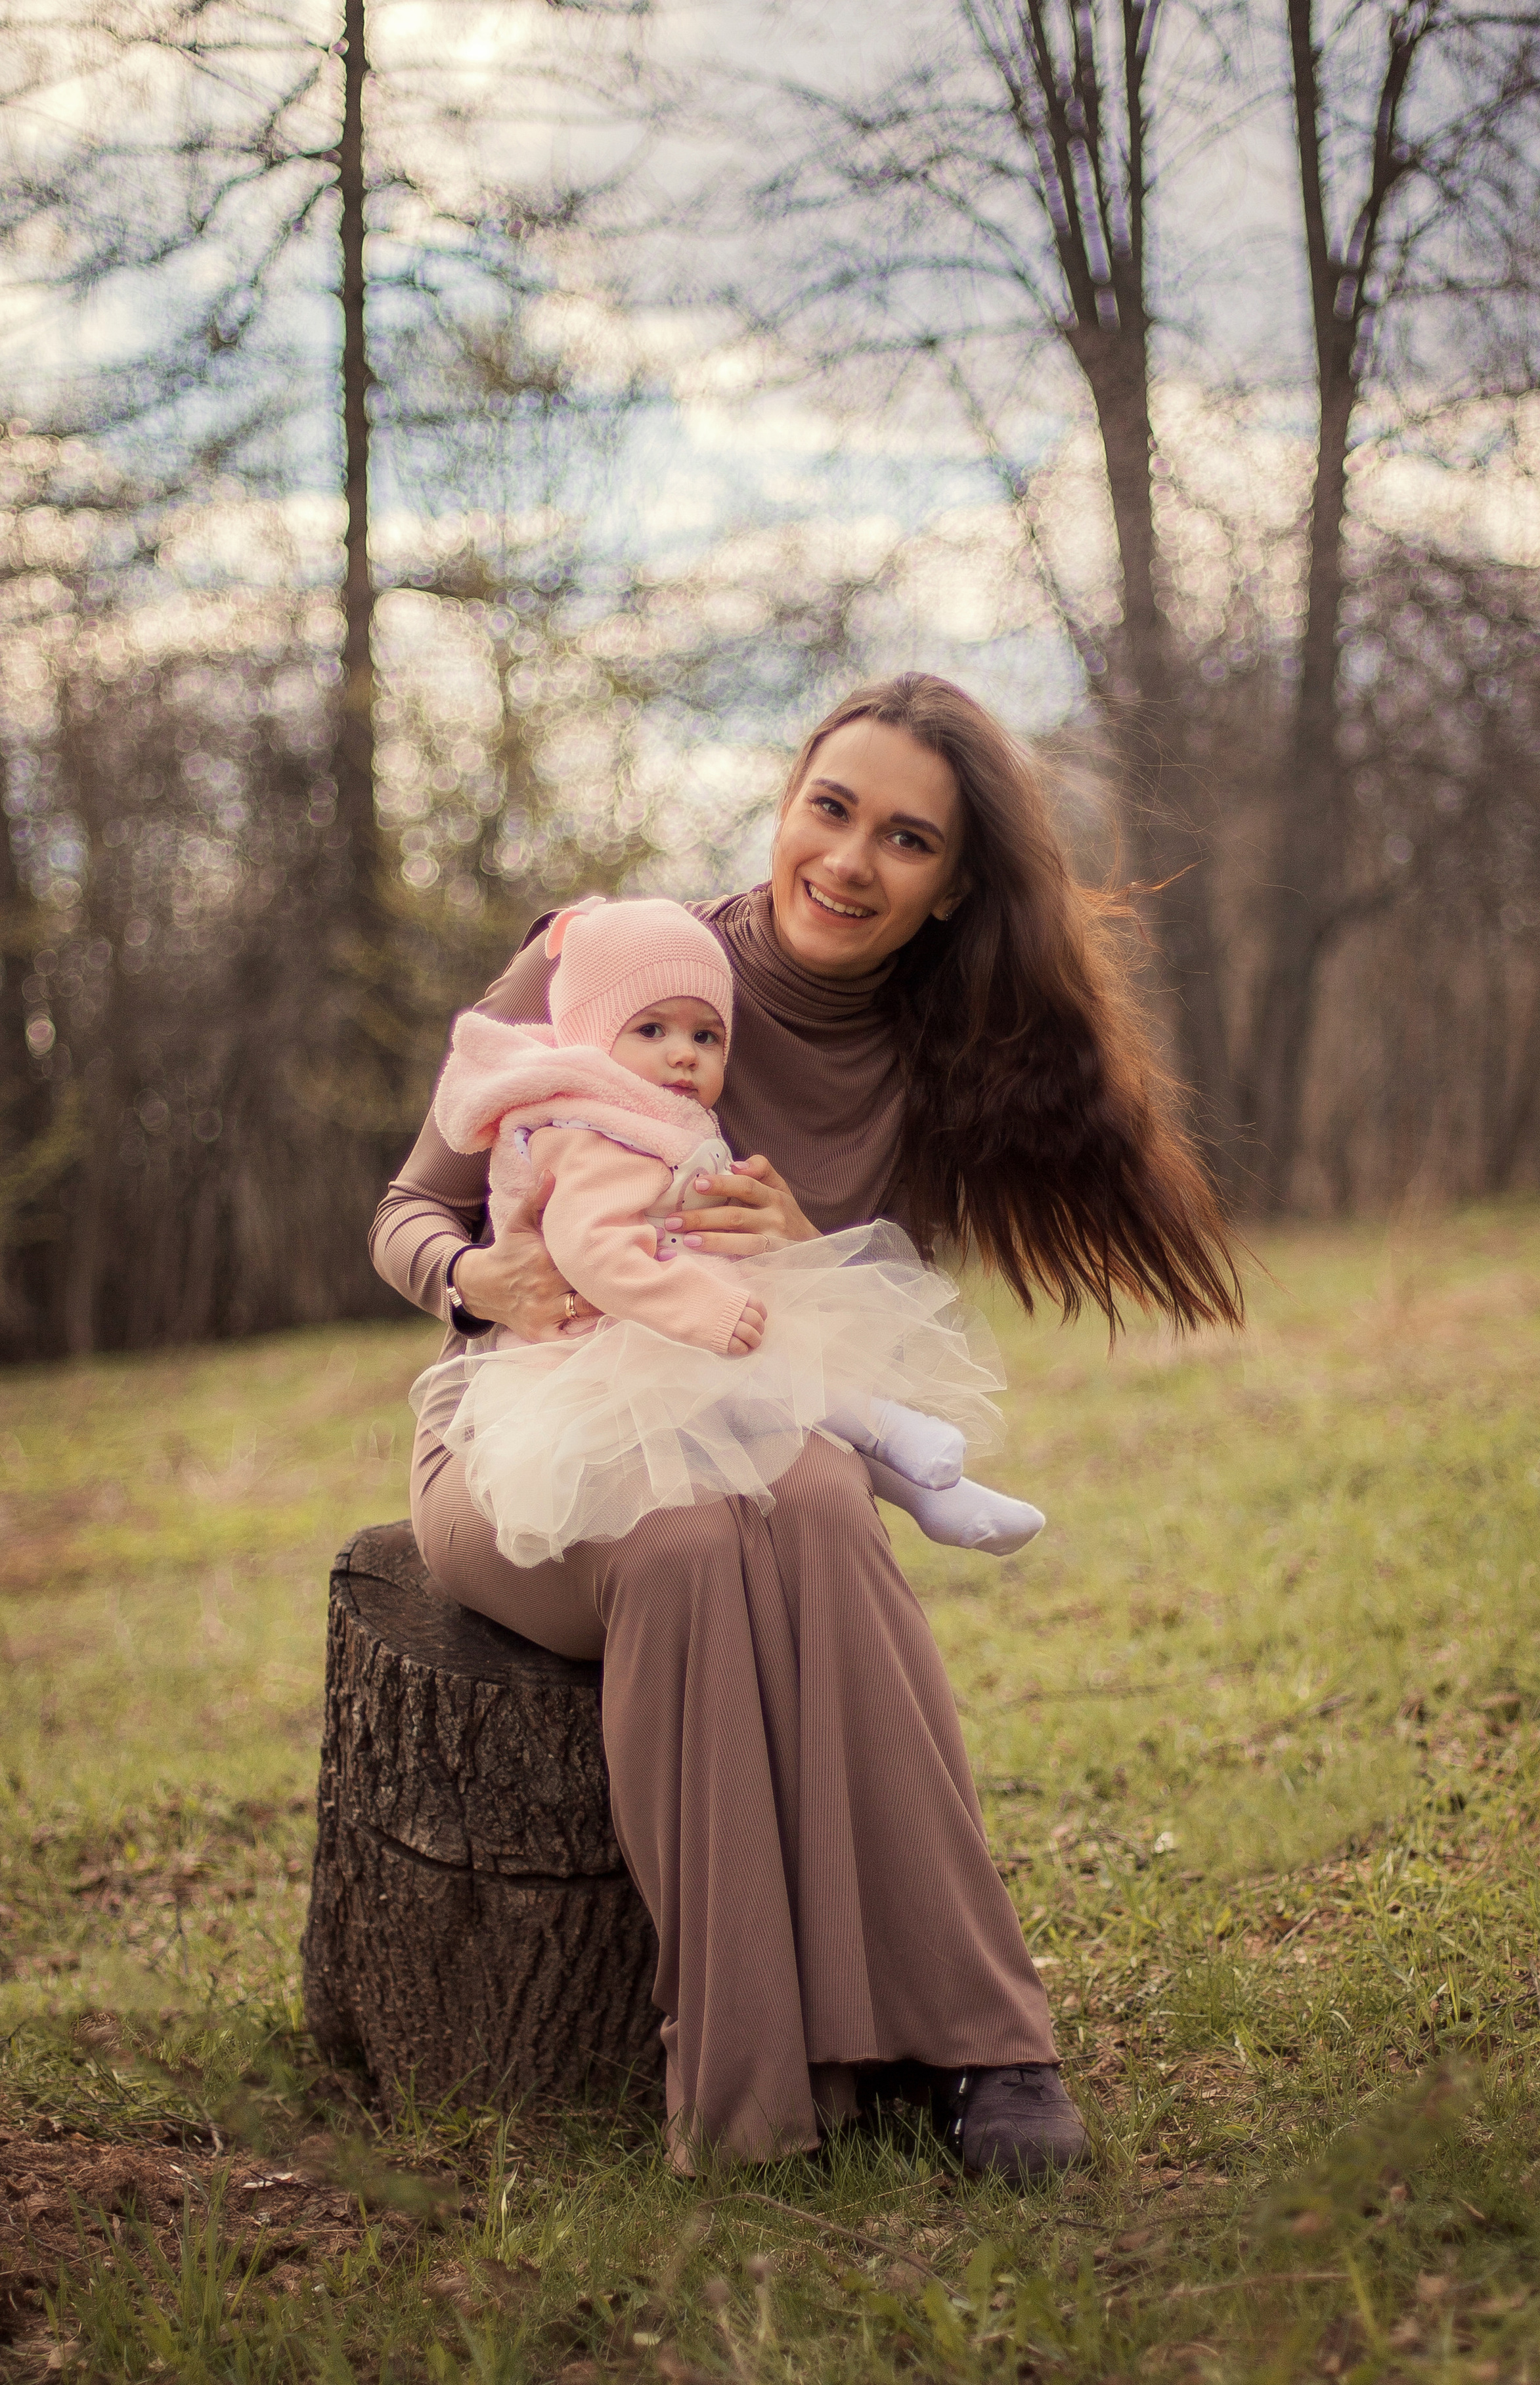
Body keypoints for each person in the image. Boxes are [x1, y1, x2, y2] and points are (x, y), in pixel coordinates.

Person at [371, 671, 1242, 2181]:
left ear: (950, 883)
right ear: (782, 801)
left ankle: (981, 2044)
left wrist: (789, 1246)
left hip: (752, 1417)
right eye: (828, 808)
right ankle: (749, 2088)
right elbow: (403, 1211)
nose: (847, 860)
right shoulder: (617, 958)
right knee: (689, 1545)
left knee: (816, 1507)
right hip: (519, 1435)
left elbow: (832, 1335)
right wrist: (476, 1277)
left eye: (904, 840)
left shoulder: (929, 1055)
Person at [411, 892, 1045, 1567]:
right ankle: (901, 1447)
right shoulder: (583, 1130)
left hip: (664, 1327)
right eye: (651, 1031)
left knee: (795, 1373)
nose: (683, 1055)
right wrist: (703, 1307)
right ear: (593, 1037)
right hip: (606, 1352)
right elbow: (590, 1247)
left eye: (705, 1035)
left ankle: (930, 1492)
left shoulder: (639, 1113)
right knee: (775, 1382)